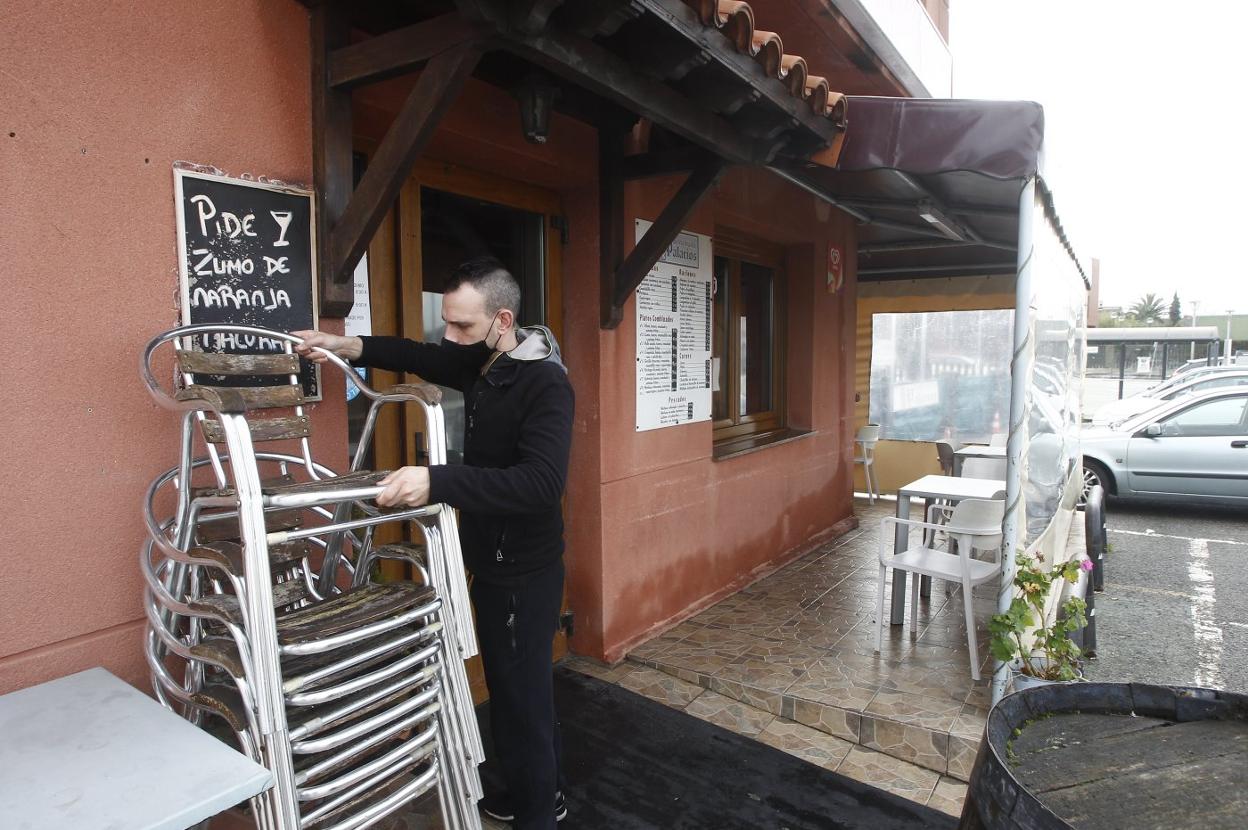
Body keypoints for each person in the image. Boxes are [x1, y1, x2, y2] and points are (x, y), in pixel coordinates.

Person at [295, 255, 574, 829]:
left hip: (525, 568)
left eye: (462, 326)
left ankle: (539, 812)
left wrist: (437, 481)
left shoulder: (544, 381)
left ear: (503, 318)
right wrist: (348, 347)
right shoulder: (485, 359)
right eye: (447, 322)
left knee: (524, 699)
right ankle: (532, 792)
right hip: (490, 558)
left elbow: (542, 483)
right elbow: (417, 355)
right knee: (505, 683)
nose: (450, 337)